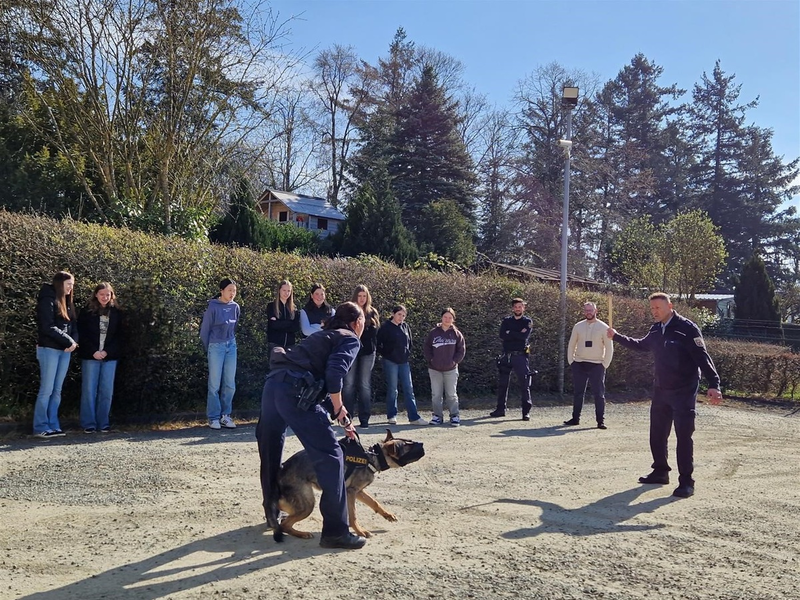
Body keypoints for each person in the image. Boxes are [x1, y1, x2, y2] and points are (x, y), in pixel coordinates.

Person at [256, 301, 366, 550]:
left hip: (274, 387)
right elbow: (335, 373)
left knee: (271, 452)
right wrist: (338, 407)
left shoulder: (324, 335)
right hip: (295, 391)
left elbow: (317, 385)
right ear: (357, 322)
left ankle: (271, 511)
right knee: (332, 456)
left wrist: (341, 416)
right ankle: (336, 532)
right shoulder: (350, 338)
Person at [607, 292, 723, 499]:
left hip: (684, 390)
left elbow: (702, 357)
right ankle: (660, 472)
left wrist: (714, 384)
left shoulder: (687, 328)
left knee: (683, 435)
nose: (654, 312)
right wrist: (616, 336)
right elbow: (641, 345)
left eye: (658, 308)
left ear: (670, 306)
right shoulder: (655, 329)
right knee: (657, 433)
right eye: (652, 309)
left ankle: (686, 482)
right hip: (661, 389)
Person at [33, 271, 78, 438]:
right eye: (69, 285)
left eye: (72, 285)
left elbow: (73, 325)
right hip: (49, 350)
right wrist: (69, 342)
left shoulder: (67, 301)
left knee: (57, 390)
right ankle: (40, 426)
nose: (71, 288)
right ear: (60, 284)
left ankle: (53, 424)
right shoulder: (47, 299)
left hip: (64, 351)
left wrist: (73, 342)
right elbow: (47, 326)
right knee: (47, 389)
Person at [78, 283, 123, 434]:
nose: (105, 297)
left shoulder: (117, 312)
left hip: (109, 357)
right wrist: (93, 351)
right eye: (102, 294)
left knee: (106, 390)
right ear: (96, 294)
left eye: (107, 294)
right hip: (90, 356)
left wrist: (107, 352)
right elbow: (82, 334)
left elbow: (120, 336)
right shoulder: (86, 312)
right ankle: (88, 423)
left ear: (111, 295)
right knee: (89, 390)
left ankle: (103, 422)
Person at [564, 301, 614, 429]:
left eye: (590, 310)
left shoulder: (604, 327)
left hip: (597, 365)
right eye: (586, 310)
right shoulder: (578, 326)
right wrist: (571, 361)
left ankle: (600, 421)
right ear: (583, 312)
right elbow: (571, 344)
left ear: (596, 311)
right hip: (579, 364)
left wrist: (605, 364)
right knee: (578, 393)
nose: (588, 312)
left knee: (599, 394)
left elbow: (609, 347)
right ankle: (575, 419)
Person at [200, 278, 240, 430]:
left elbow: (234, 326)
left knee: (230, 383)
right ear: (222, 290)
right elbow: (205, 330)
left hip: (231, 345)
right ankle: (213, 417)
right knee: (214, 384)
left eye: (234, 291)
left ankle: (226, 415)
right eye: (229, 290)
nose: (232, 293)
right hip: (216, 346)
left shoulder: (235, 307)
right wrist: (210, 347)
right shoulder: (213, 307)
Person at [376, 305, 426, 425]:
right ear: (393, 314)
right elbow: (379, 343)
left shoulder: (405, 326)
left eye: (403, 315)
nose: (401, 317)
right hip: (390, 361)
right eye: (399, 314)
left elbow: (410, 342)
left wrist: (407, 354)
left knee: (409, 389)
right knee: (393, 389)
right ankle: (392, 415)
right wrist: (387, 354)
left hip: (404, 362)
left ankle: (414, 417)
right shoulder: (386, 327)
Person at [342, 284, 380, 428]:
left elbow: (374, 333)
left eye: (364, 296)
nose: (362, 299)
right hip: (351, 351)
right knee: (349, 384)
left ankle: (364, 419)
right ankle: (347, 418)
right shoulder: (349, 311)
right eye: (359, 296)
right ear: (355, 296)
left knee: (364, 385)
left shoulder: (372, 312)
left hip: (368, 352)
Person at [489, 298, 533, 421]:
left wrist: (510, 333)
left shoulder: (527, 321)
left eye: (520, 306)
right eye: (516, 307)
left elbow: (524, 336)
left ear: (523, 308)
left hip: (520, 356)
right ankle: (500, 409)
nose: (518, 309)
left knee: (525, 384)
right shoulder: (506, 321)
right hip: (506, 355)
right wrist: (516, 333)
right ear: (512, 308)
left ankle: (526, 412)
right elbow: (502, 335)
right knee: (502, 384)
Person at [424, 307, 466, 427]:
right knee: (436, 394)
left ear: (453, 319)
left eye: (450, 317)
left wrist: (454, 361)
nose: (447, 319)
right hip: (434, 369)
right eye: (445, 317)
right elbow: (427, 348)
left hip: (451, 369)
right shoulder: (433, 333)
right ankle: (437, 416)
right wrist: (431, 359)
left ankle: (454, 416)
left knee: (451, 394)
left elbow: (461, 350)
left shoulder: (456, 334)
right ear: (441, 318)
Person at [267, 280, 300, 353]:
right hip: (275, 344)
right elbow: (273, 325)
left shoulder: (294, 308)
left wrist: (280, 323)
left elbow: (296, 327)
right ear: (279, 290)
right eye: (284, 290)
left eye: (289, 291)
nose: (286, 293)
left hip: (290, 345)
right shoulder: (271, 306)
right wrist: (289, 323)